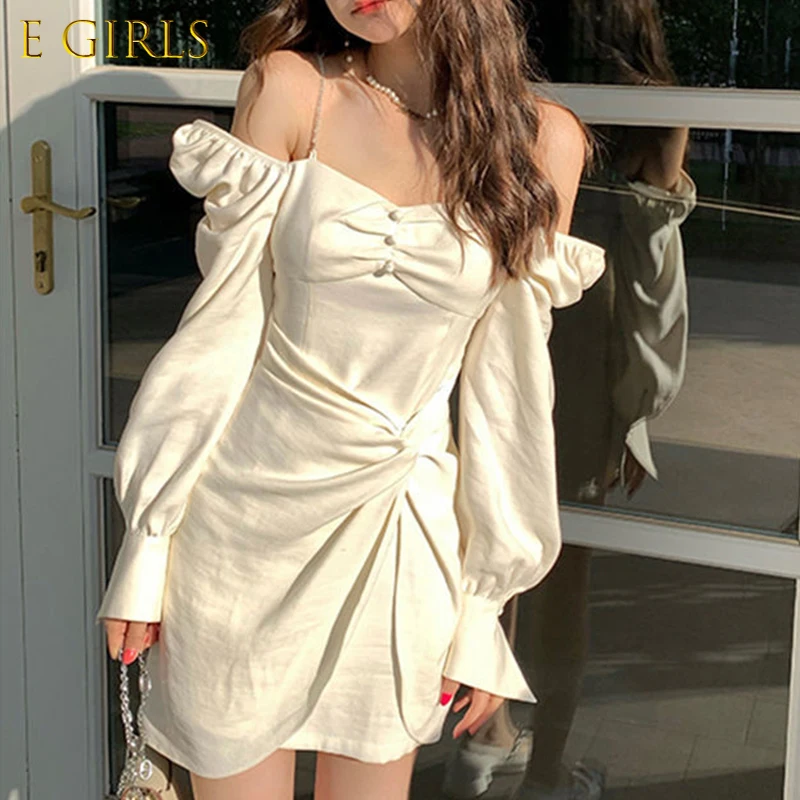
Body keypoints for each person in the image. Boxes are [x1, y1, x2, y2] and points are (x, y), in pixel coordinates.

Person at [95, 1, 608, 798]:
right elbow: (218, 335)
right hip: (241, 529)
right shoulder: (293, 90)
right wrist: (148, 544)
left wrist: (482, 608)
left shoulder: (542, 141)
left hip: (399, 531)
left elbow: (507, 396)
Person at [441, 2, 698, 799]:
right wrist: (638, 410)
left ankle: (479, 743)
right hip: (582, 351)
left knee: (478, 546)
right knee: (562, 580)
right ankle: (545, 771)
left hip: (481, 329)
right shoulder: (652, 115)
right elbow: (652, 276)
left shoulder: (498, 84)